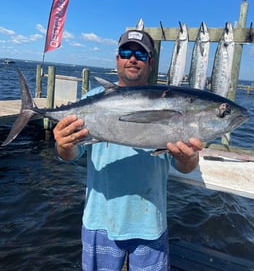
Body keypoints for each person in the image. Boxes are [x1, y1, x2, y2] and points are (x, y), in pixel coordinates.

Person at [53, 29, 203, 271]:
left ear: (150, 63)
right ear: (117, 59)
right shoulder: (91, 99)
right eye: (126, 52)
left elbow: (186, 167)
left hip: (149, 224)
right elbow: (70, 155)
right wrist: (63, 145)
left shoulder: (171, 102)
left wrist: (189, 158)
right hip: (99, 221)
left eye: (140, 55)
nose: (132, 58)